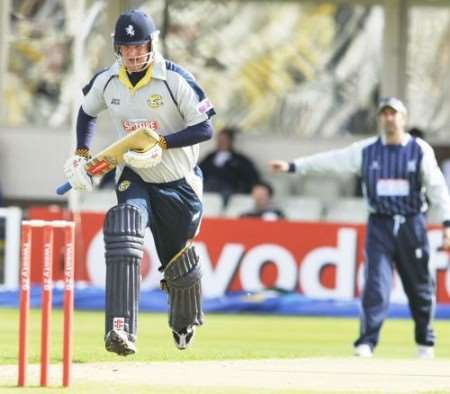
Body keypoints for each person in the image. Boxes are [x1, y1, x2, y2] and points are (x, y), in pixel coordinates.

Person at [63, 10, 215, 356]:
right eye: (127, 47)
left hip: (179, 182)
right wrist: (82, 153)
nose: (133, 54)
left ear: (151, 44)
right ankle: (121, 329)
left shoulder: (175, 79)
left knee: (179, 268)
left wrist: (161, 143)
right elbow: (87, 111)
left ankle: (183, 321)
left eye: (139, 46)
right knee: (124, 226)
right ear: (118, 48)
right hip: (134, 173)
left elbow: (205, 128)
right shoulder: (108, 80)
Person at [269, 97, 450, 359]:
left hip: (412, 223)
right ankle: (366, 341)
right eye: (384, 114)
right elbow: (331, 160)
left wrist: (447, 224)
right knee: (376, 284)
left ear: (403, 118)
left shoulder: (419, 150)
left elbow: (437, 189)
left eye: (394, 114)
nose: (389, 118)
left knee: (419, 286)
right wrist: (293, 166)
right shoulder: (366, 150)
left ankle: (425, 341)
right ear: (380, 118)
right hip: (380, 223)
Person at [199, 126, 260, 204]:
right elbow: (199, 172)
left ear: (231, 141)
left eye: (225, 140)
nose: (222, 142)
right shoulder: (210, 157)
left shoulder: (240, 160)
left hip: (229, 191)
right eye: (219, 140)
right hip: (208, 188)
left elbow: (251, 177)